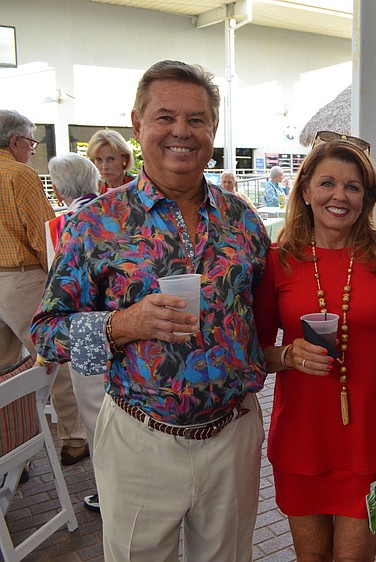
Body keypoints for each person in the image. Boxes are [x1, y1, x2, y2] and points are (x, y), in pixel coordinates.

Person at [31, 60, 270, 561]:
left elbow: (260, 317)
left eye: (197, 119)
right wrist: (124, 324)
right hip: (140, 439)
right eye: (165, 117)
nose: (181, 131)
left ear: (213, 129)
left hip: (232, 436)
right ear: (137, 124)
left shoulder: (242, 220)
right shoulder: (95, 222)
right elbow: (47, 334)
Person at [253, 134, 376, 562]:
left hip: (369, 439)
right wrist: (288, 356)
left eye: (352, 186)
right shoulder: (280, 259)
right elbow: (253, 352)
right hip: (301, 439)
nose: (339, 196)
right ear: (306, 190)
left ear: (366, 197)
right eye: (327, 183)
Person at [0, 109, 89, 468]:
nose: (32, 151)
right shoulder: (19, 174)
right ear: (16, 141)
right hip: (22, 278)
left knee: (5, 371)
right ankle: (74, 437)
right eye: (32, 143)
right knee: (55, 357)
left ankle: (9, 453)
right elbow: (42, 235)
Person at [45, 153, 104, 512]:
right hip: (123, 332)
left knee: (98, 421)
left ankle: (108, 490)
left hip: (87, 336)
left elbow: (55, 290)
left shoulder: (60, 225)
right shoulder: (113, 212)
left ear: (58, 187)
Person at [86, 129, 135, 193]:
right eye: (99, 159)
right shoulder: (93, 191)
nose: (104, 167)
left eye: (110, 159)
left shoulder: (140, 189)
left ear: (124, 158)